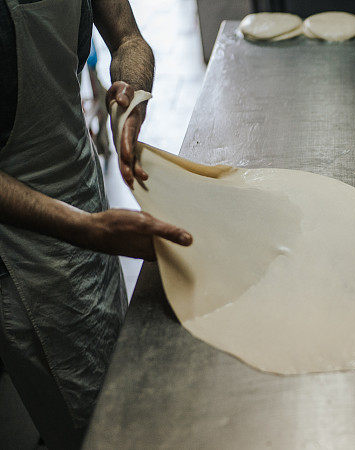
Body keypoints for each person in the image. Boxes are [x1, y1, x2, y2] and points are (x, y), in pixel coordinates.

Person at [0, 0, 192, 447]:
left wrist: (132, 95)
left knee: (117, 382)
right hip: (23, 254)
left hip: (84, 189)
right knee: (89, 428)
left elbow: (129, 38)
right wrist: (84, 229)